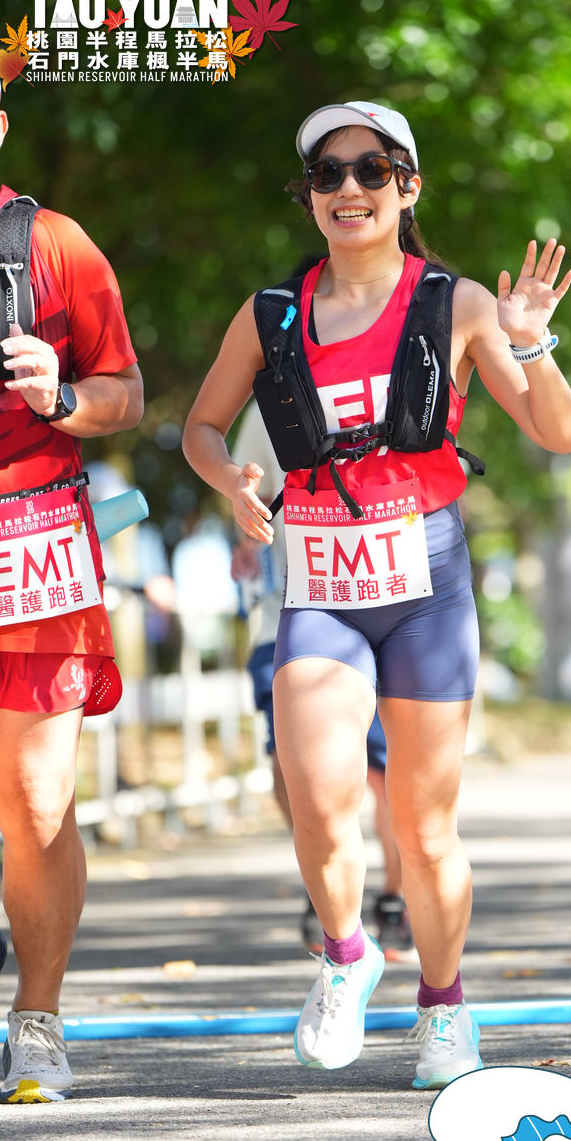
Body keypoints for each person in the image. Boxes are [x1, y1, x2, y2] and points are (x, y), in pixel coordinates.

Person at [183, 99, 571, 1089]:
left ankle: (443, 1006)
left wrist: (530, 342)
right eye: (328, 174)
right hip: (318, 578)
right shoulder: (271, 313)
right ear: (309, 197)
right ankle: (346, 954)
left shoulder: (456, 305)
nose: (349, 189)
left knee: (422, 825)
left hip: (425, 582)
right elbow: (201, 425)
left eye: (371, 171)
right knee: (318, 803)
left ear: (407, 189)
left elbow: (555, 433)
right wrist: (231, 482)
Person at [0, 52, 143, 1101]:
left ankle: (36, 1018)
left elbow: (126, 393)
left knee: (36, 801)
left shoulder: (55, 244)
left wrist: (63, 396)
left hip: (27, 536)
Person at [230, 403, 413, 958]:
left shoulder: (400, 374)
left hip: (385, 600)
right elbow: (246, 489)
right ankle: (328, 887)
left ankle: (394, 897)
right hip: (287, 609)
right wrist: (247, 540)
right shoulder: (270, 397)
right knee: (292, 770)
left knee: (387, 770)